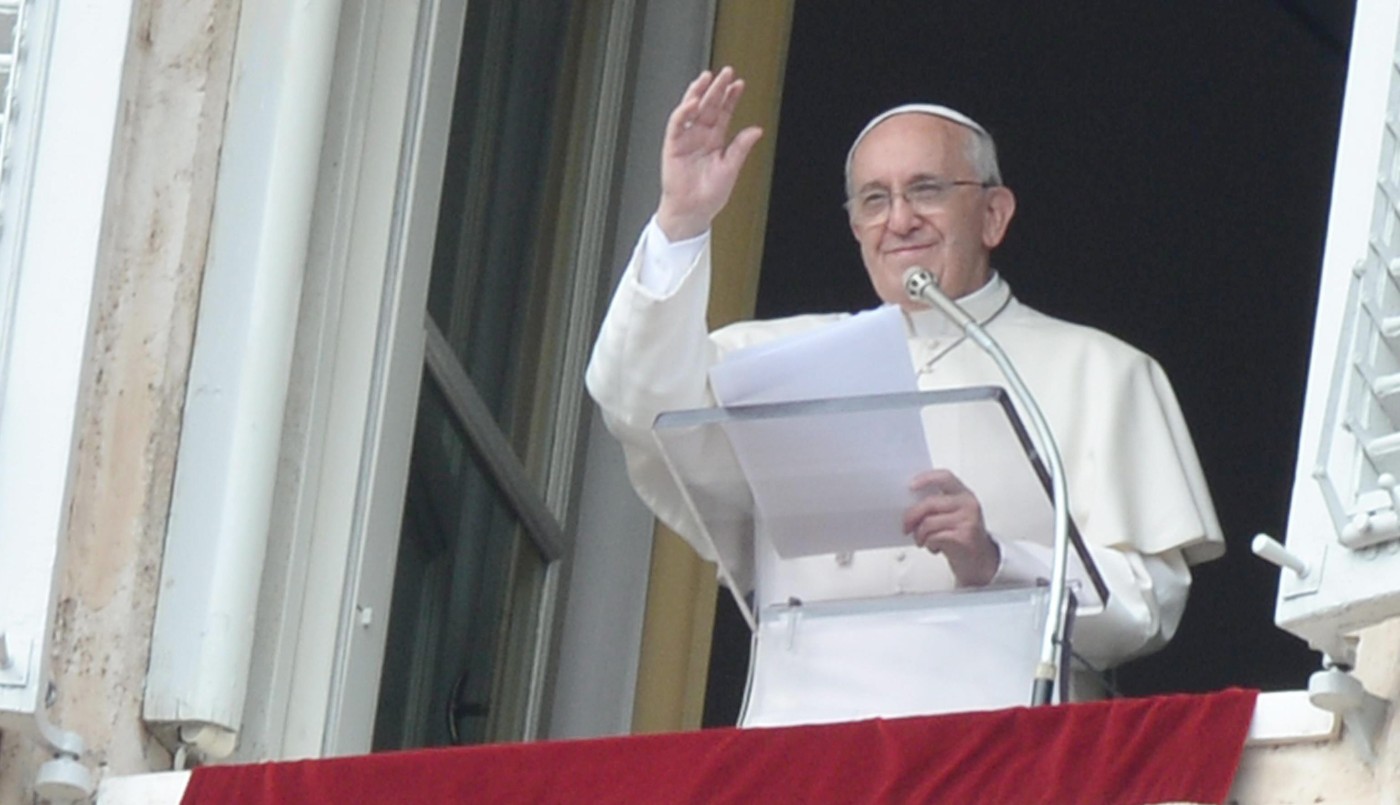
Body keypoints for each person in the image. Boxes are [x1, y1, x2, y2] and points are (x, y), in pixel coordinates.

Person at [586, 67, 1224, 712]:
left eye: (926, 190)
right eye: (873, 199)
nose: (899, 220)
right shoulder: (770, 359)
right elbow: (638, 399)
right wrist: (682, 220)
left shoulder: (1103, 371)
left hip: (1000, 745)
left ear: (994, 215)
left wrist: (995, 560)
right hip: (806, 738)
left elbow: (1148, 606)